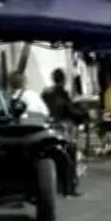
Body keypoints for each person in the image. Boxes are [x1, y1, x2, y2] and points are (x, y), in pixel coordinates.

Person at [41, 68, 85, 197]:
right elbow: (70, 110)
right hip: (63, 129)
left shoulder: (45, 94)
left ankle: (57, 186)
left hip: (49, 128)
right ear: (64, 80)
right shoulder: (63, 93)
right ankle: (69, 189)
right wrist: (83, 115)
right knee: (69, 156)